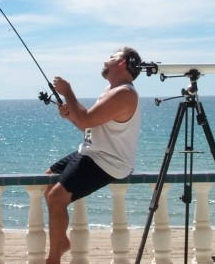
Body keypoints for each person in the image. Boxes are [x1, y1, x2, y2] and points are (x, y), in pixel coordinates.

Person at [44, 46, 142, 264]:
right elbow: (87, 125)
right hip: (92, 151)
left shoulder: (125, 94)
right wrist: (71, 115)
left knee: (56, 198)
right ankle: (63, 243)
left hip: (107, 161)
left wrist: (67, 91)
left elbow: (87, 119)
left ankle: (53, 260)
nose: (106, 60)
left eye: (112, 57)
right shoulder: (110, 90)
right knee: (48, 179)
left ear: (122, 63)